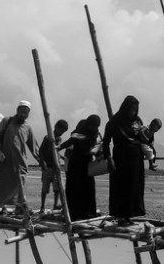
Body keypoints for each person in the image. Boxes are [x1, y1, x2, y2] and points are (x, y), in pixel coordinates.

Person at [102, 95, 147, 223]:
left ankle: (129, 215)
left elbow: (142, 138)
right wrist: (108, 158)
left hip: (135, 160)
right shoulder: (114, 122)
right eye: (131, 110)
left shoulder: (137, 121)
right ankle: (121, 216)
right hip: (121, 159)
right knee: (121, 187)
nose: (132, 113)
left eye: (135, 110)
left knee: (134, 187)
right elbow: (106, 142)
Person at [0, 100, 38, 213]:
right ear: (17, 111)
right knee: (3, 185)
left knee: (20, 185)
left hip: (20, 162)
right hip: (5, 161)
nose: (23, 115)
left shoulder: (27, 127)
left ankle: (19, 207)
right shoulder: (7, 121)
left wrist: (42, 160)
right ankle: (3, 208)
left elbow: (34, 146)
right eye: (22, 112)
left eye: (26, 113)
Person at [58, 115, 101, 220]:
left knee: (88, 190)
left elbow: (99, 145)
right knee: (74, 189)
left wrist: (99, 155)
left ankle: (88, 213)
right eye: (91, 126)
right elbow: (70, 141)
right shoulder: (79, 131)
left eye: (94, 126)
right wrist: (58, 147)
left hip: (87, 164)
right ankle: (74, 214)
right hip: (76, 164)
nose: (92, 128)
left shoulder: (95, 133)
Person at [39, 119, 69, 212]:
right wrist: (42, 162)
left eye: (63, 132)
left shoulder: (59, 139)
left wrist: (63, 158)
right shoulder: (48, 137)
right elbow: (41, 151)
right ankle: (42, 206)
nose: (61, 133)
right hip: (47, 167)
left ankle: (55, 204)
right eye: (61, 131)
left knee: (57, 188)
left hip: (56, 167)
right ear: (56, 127)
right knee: (45, 188)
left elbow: (56, 151)